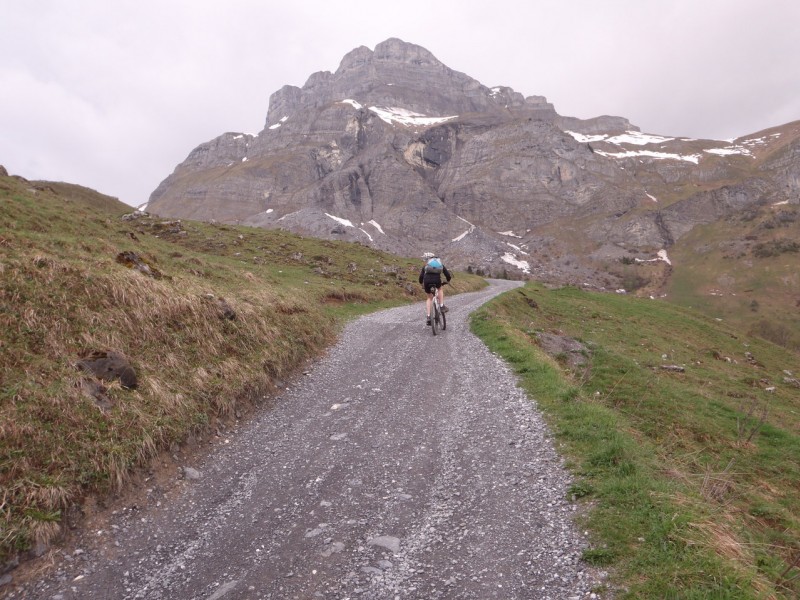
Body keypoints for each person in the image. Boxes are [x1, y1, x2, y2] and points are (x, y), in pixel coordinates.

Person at [418, 252, 452, 326]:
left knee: (429, 298)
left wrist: (421, 283)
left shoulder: (426, 266)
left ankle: (428, 316)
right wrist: (448, 280)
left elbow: (421, 277)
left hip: (426, 281)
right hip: (437, 280)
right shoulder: (439, 264)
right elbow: (447, 274)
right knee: (439, 289)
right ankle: (442, 305)